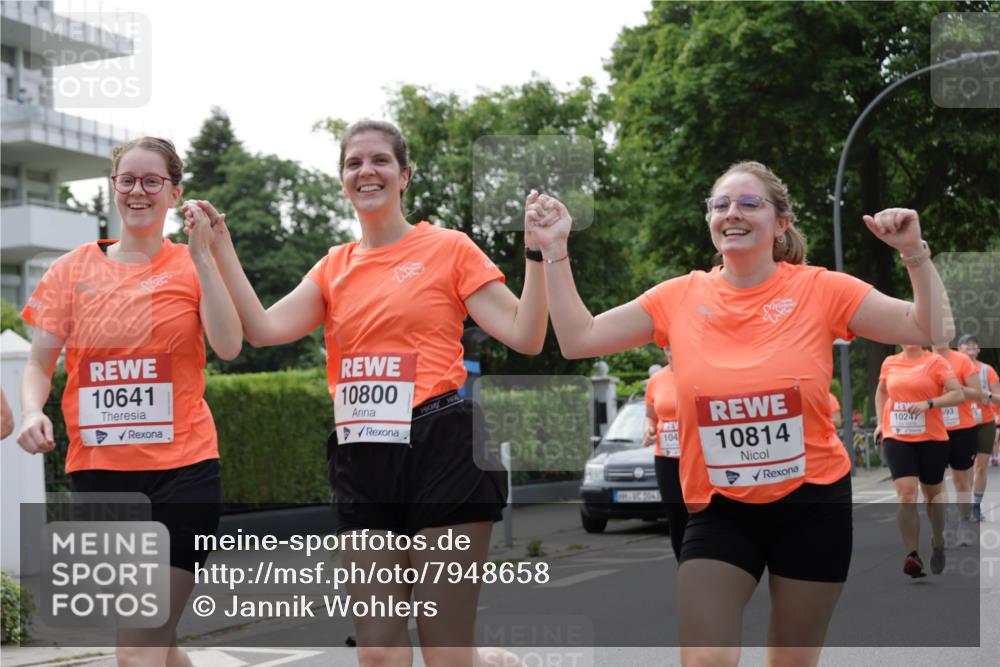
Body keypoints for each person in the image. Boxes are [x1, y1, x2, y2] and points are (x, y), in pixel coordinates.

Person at [528, 160, 953, 666]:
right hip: (719, 508)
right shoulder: (679, 296)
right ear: (710, 220)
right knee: (706, 658)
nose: (733, 212)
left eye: (750, 203)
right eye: (721, 204)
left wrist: (913, 253)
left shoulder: (821, 289)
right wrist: (554, 251)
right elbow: (579, 339)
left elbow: (928, 327)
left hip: (811, 505)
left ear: (780, 223)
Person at [184, 120, 548, 667]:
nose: (366, 171)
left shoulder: (448, 248)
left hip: (443, 446)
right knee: (377, 650)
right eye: (353, 163)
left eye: (379, 160)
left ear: (404, 176)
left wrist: (537, 257)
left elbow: (526, 334)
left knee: (444, 649)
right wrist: (218, 247)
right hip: (362, 454)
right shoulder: (334, 266)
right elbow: (261, 329)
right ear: (342, 180)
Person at [16, 137, 242, 667]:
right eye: (127, 180)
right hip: (100, 478)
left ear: (173, 193)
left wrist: (203, 255)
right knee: (154, 646)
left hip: (183, 472)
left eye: (151, 181)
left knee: (136, 650)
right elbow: (37, 365)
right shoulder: (71, 271)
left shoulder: (192, 265)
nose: (137, 191)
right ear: (113, 189)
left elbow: (230, 345)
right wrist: (31, 411)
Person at [874, 345, 964, 577]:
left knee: (932, 495)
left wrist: (929, 403)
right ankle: (912, 556)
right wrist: (880, 424)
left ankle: (937, 540)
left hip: (931, 438)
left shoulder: (936, 362)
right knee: (906, 493)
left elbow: (958, 394)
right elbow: (882, 392)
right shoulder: (889, 362)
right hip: (897, 436)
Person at [932, 342, 982, 546]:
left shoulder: (961, 360)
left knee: (962, 481)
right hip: (934, 429)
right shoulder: (925, 360)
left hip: (962, 429)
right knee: (936, 482)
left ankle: (964, 524)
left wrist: (955, 388)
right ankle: (944, 528)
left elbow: (978, 393)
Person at [642, 347, 689, 560]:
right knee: (676, 516)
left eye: (675, 347)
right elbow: (650, 416)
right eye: (667, 349)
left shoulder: (699, 372)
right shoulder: (656, 379)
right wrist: (648, 429)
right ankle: (684, 564)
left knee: (704, 514)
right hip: (666, 457)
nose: (672, 353)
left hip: (697, 456)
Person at [957, 334, 1000, 521]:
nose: (972, 349)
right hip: (963, 423)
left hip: (985, 422)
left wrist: (986, 395)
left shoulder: (987, 370)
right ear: (959, 349)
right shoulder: (951, 368)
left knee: (981, 466)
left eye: (975, 346)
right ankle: (964, 507)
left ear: (979, 350)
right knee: (965, 468)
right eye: (967, 346)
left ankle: (976, 505)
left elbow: (998, 398)